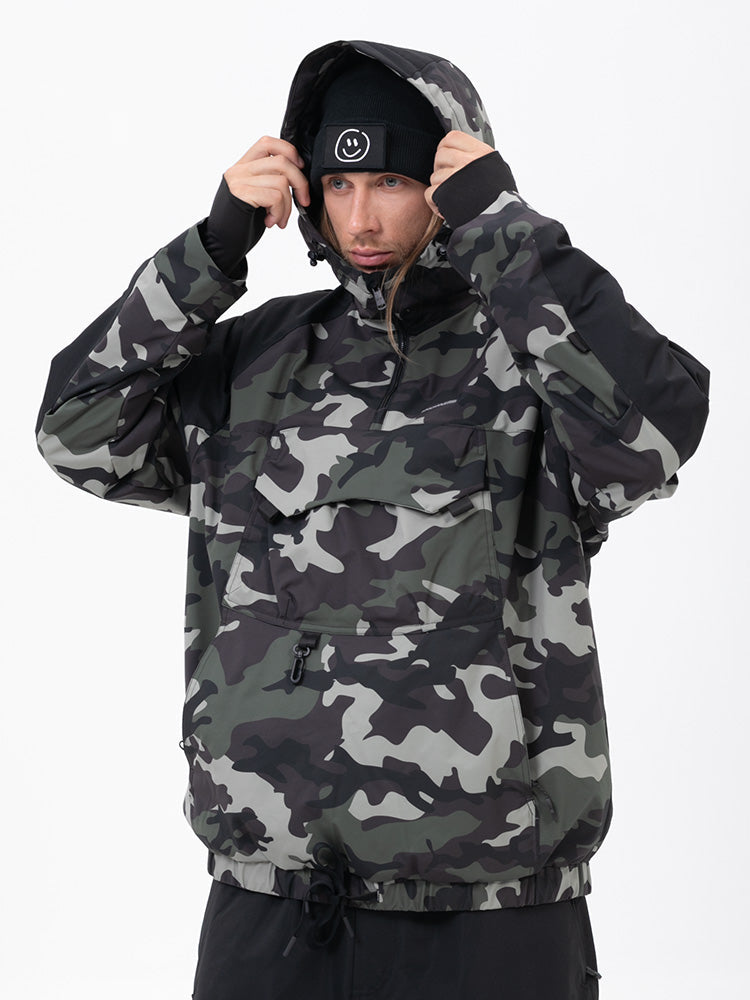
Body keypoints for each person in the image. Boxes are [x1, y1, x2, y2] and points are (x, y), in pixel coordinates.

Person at [37, 39, 709, 1000]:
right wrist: (211, 252)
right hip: (273, 902)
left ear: (448, 182)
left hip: (494, 915)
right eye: (338, 183)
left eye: (392, 180)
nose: (360, 217)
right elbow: (75, 430)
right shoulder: (255, 359)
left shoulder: (531, 361)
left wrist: (506, 230)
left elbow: (653, 435)